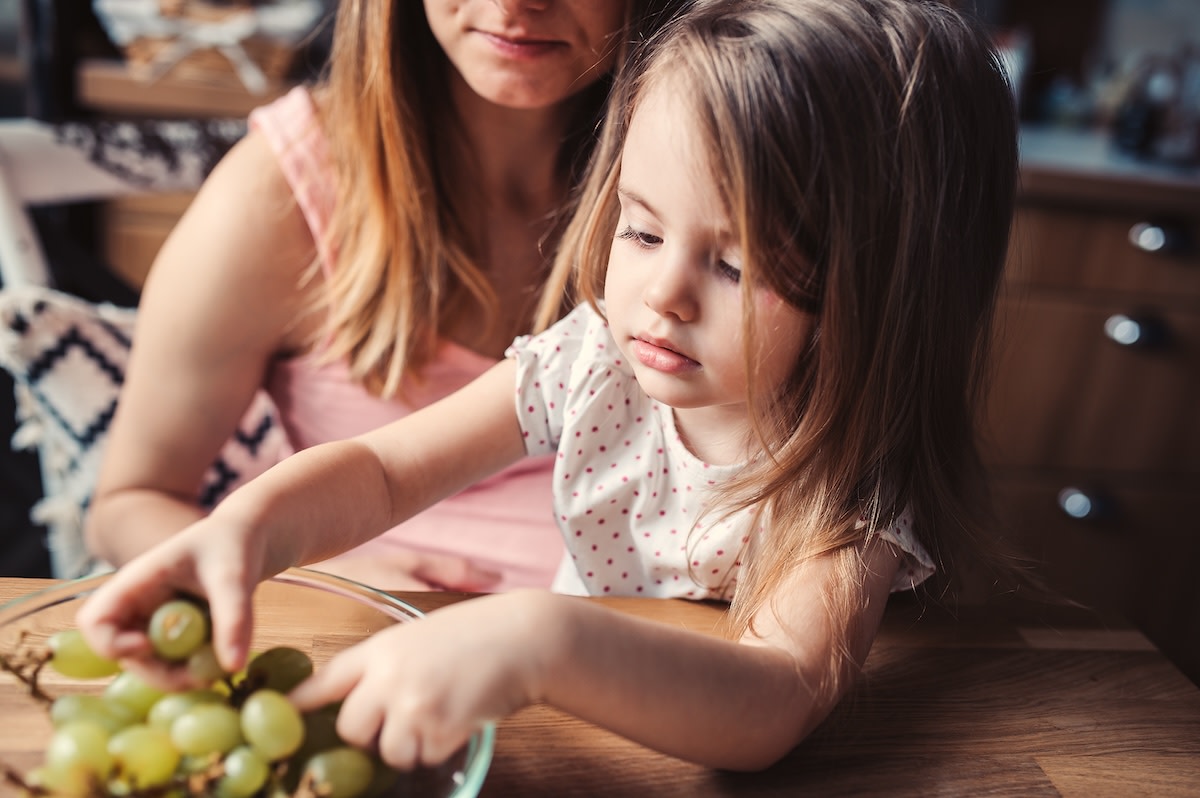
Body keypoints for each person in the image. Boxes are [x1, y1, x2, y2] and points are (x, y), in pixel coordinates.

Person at [80, 0, 1022, 772]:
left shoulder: (842, 480)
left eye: (736, 267)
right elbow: (381, 471)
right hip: (553, 748)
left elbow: (775, 700)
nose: (661, 296)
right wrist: (252, 532)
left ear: (878, 298)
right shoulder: (597, 360)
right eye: (642, 232)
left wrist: (535, 637)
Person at [82, 0, 687, 592]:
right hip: (378, 646)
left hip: (653, 654)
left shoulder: (719, 183)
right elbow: (126, 508)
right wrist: (311, 580)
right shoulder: (281, 192)